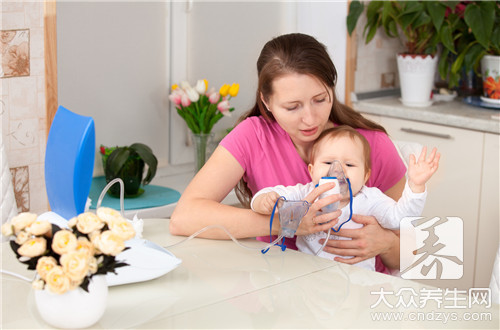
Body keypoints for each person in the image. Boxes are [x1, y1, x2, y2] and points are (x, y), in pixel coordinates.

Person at [170, 33, 407, 272]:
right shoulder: (253, 136)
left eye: (320, 99)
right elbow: (184, 217)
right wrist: (284, 221)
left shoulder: (374, 144)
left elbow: (416, 253)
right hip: (278, 288)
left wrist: (387, 245)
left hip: (360, 294)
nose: (310, 118)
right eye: (292, 107)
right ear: (267, 101)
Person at [251, 126, 440, 270]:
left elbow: (400, 219)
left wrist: (415, 186)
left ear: (366, 176)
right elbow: (268, 196)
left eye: (349, 164)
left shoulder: (371, 200)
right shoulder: (305, 194)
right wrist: (265, 201)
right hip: (309, 278)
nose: (338, 169)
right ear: (312, 170)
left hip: (357, 282)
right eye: (327, 162)